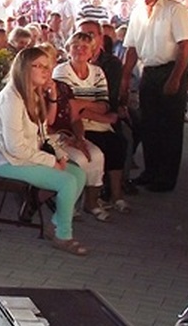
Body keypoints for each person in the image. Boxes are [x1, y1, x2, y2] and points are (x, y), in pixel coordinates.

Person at [0, 47, 88, 255]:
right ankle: (63, 235)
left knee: (79, 174)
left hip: (26, 156)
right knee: (67, 181)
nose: (46, 71)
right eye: (39, 66)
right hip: (8, 161)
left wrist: (59, 155)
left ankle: (56, 224)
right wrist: (50, 162)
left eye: (47, 66)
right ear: (25, 68)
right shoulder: (11, 98)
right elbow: (15, 147)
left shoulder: (32, 94)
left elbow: (43, 134)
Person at [121, 0, 188, 192]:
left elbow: (184, 47)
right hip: (149, 71)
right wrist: (124, 78)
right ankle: (150, 172)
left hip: (171, 69)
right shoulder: (137, 12)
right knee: (149, 125)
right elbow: (131, 48)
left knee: (169, 127)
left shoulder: (174, 9)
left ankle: (166, 178)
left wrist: (175, 78)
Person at [54, 32, 131, 212]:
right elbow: (68, 108)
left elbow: (104, 105)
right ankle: (91, 199)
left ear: (92, 52)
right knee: (97, 147)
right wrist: (93, 109)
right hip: (72, 125)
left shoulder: (97, 72)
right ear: (68, 49)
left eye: (85, 47)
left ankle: (116, 195)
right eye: (75, 46)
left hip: (97, 122)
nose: (80, 50)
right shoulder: (61, 71)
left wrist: (82, 105)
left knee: (118, 143)